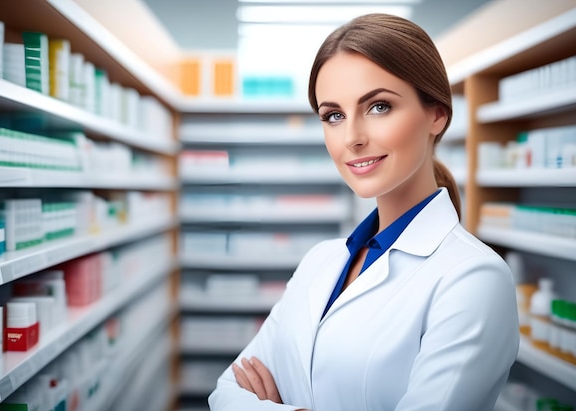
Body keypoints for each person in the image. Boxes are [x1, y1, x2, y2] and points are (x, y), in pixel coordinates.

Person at [208, 13, 519, 411]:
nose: (352, 138)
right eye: (333, 115)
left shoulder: (473, 278)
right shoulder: (320, 261)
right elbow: (225, 393)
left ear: (437, 114)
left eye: (378, 107)